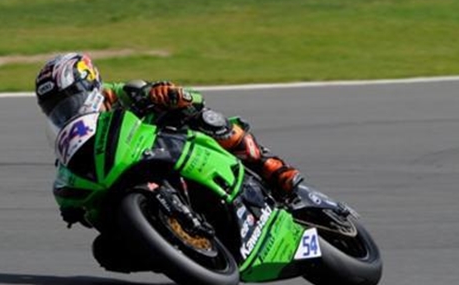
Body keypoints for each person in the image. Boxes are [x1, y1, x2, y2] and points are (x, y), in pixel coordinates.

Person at [35, 52, 303, 202]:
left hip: (172, 146)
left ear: (90, 82)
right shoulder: (76, 136)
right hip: (131, 173)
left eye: (69, 98)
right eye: (56, 107)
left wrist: (171, 95)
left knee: (208, 120)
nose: (67, 109)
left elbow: (192, 98)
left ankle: (273, 168)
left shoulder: (123, 93)